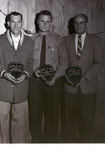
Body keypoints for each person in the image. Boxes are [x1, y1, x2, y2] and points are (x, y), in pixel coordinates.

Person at [0, 12, 33, 143]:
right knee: (1, 125)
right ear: (8, 23)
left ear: (22, 23)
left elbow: (31, 62)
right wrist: (4, 73)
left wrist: (25, 74)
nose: (15, 25)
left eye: (18, 22)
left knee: (20, 126)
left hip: (21, 89)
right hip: (3, 88)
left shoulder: (29, 41)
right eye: (12, 22)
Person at [28, 10, 68, 143]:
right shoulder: (30, 40)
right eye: (42, 21)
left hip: (53, 83)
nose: (44, 24)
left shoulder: (58, 39)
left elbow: (64, 62)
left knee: (52, 115)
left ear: (51, 23)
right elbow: (27, 61)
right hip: (35, 82)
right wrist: (34, 70)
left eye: (47, 21)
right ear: (37, 21)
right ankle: (37, 142)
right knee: (35, 114)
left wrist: (55, 77)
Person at [63, 13, 104, 142]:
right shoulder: (65, 40)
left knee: (87, 121)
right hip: (69, 88)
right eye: (76, 23)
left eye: (81, 22)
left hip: (88, 88)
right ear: (72, 25)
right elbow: (62, 62)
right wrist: (68, 77)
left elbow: (99, 63)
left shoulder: (96, 40)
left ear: (86, 24)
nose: (78, 25)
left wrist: (85, 77)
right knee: (69, 121)